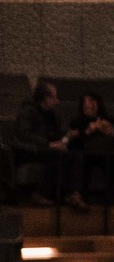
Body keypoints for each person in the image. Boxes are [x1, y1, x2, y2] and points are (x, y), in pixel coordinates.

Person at [13, 81, 86, 209]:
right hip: (28, 150)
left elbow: (57, 135)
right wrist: (48, 145)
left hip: (45, 148)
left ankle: (72, 194)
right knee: (56, 155)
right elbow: (24, 135)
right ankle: (40, 194)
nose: (57, 101)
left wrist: (68, 135)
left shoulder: (53, 115)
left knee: (75, 155)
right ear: (45, 98)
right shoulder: (28, 111)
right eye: (54, 97)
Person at [68, 91, 114, 197]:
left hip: (106, 153)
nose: (89, 105)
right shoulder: (77, 122)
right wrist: (88, 132)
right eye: (86, 103)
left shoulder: (110, 120)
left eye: (92, 102)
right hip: (87, 154)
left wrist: (113, 133)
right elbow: (73, 146)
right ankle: (80, 197)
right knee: (81, 160)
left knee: (113, 161)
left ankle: (111, 200)